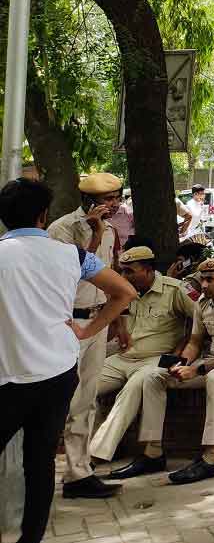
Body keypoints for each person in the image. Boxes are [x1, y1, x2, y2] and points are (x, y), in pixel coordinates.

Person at [0, 178, 134, 542]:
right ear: (44, 215)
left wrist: (93, 329)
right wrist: (87, 332)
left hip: (11, 375)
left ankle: (79, 473)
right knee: (39, 464)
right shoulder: (69, 249)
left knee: (60, 437)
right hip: (57, 371)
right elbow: (125, 291)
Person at [127, 257, 214, 484]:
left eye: (210, 280)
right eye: (202, 279)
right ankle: (152, 453)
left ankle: (211, 458)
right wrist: (182, 363)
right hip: (211, 362)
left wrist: (199, 369)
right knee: (154, 376)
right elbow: (194, 341)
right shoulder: (202, 303)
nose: (204, 285)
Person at [47, 171, 126, 499]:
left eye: (116, 198)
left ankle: (78, 474)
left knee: (86, 400)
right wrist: (92, 235)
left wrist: (118, 321)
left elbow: (111, 276)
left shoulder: (110, 230)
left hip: (98, 320)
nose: (114, 205)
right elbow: (69, 275)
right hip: (70, 324)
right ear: (89, 203)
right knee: (58, 399)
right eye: (107, 200)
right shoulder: (63, 229)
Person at [90, 241, 196, 470]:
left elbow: (202, 319)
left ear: (148, 270)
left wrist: (183, 349)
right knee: (83, 388)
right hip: (123, 357)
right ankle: (81, 448)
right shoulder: (123, 291)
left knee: (131, 390)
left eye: (130, 271)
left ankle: (94, 456)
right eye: (122, 270)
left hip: (154, 359)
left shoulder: (176, 289)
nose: (124, 275)